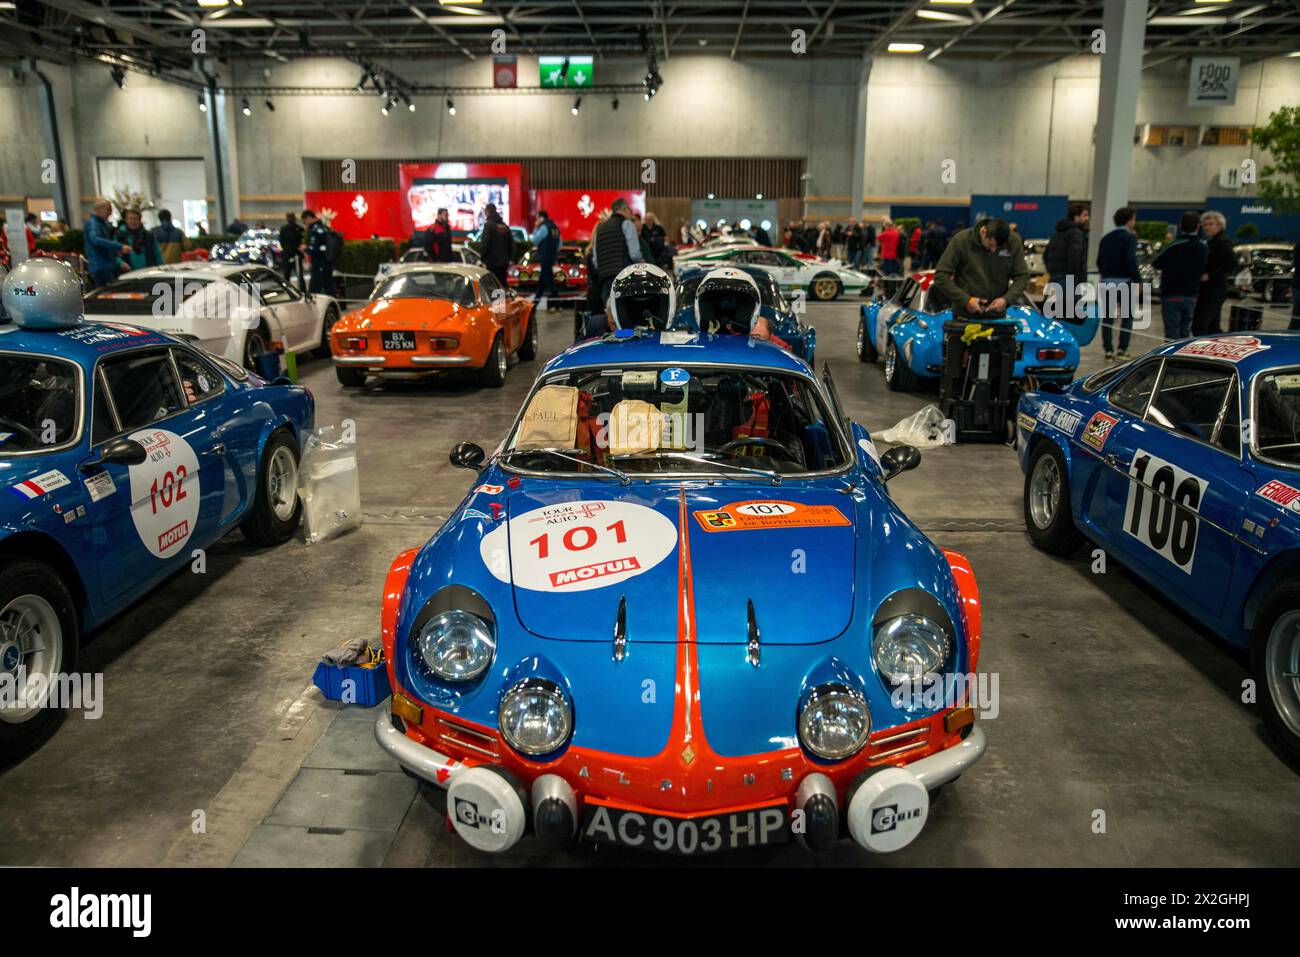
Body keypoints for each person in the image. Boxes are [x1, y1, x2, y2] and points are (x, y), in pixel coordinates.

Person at [933, 217, 1030, 320]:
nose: (993, 250)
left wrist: (1006, 300)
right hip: (964, 317)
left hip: (997, 319)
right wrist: (966, 301)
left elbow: (1023, 276)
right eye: (990, 245)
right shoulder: (961, 241)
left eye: (998, 247)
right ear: (983, 232)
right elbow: (940, 276)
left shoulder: (1013, 242)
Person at [1151, 211, 1208, 341]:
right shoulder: (1203, 248)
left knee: (1171, 332)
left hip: (1171, 294)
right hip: (1191, 296)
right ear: (1198, 227)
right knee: (1185, 331)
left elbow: (1156, 262)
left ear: (1181, 226)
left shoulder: (1173, 246)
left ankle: (1171, 359)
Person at [1096, 206, 1143, 362]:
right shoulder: (1129, 238)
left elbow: (1099, 261)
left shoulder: (1106, 238)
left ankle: (1108, 351)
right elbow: (1131, 260)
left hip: (1107, 282)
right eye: (1134, 219)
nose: (1134, 222)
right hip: (1124, 283)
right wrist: (1138, 280)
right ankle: (1122, 349)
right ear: (1129, 220)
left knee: (1108, 318)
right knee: (1127, 316)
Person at [591, 197, 642, 303]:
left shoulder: (600, 228)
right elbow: (634, 254)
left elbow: (595, 260)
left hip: (605, 277)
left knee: (610, 313)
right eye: (629, 209)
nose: (631, 213)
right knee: (625, 312)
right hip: (624, 275)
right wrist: (641, 262)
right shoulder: (627, 224)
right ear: (624, 209)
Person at [1044, 202, 1090, 317]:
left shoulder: (1056, 235)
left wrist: (1052, 272)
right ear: (1076, 216)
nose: (1087, 218)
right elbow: (1076, 257)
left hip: (1054, 280)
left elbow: (1045, 255)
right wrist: (1076, 280)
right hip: (1069, 282)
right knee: (1070, 320)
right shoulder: (1076, 233)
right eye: (1084, 215)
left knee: (1052, 317)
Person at [1193, 210, 1235, 336]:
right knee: (1212, 326)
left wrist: (1210, 275)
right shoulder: (1213, 242)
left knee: (1200, 325)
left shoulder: (1222, 242)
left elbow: (1232, 262)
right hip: (1210, 288)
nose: (1207, 227)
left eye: (1210, 224)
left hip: (1214, 288)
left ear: (1219, 225)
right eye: (1205, 224)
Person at [84, 198, 130, 288]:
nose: (110, 212)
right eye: (108, 209)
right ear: (98, 209)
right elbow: (95, 239)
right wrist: (119, 246)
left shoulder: (100, 223)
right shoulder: (94, 223)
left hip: (103, 266)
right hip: (101, 267)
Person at [475, 203, 514, 287]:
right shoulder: (504, 226)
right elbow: (511, 245)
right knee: (501, 284)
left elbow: (485, 244)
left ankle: (496, 300)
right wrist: (509, 259)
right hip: (504, 262)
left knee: (493, 285)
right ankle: (502, 299)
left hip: (492, 262)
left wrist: (482, 258)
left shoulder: (489, 225)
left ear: (487, 212)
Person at [530, 209, 561, 308]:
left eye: (537, 218)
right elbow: (560, 245)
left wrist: (535, 228)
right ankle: (535, 305)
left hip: (545, 257)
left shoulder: (544, 227)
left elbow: (535, 240)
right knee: (543, 282)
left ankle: (557, 303)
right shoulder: (555, 228)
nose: (536, 220)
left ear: (541, 218)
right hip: (552, 257)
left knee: (549, 281)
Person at [302, 209, 334, 295]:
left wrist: (306, 248)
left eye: (304, 222)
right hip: (326, 264)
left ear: (308, 218)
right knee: (329, 288)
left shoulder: (316, 230)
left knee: (313, 292)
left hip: (319, 265)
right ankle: (333, 306)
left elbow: (316, 250)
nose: (305, 224)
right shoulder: (324, 227)